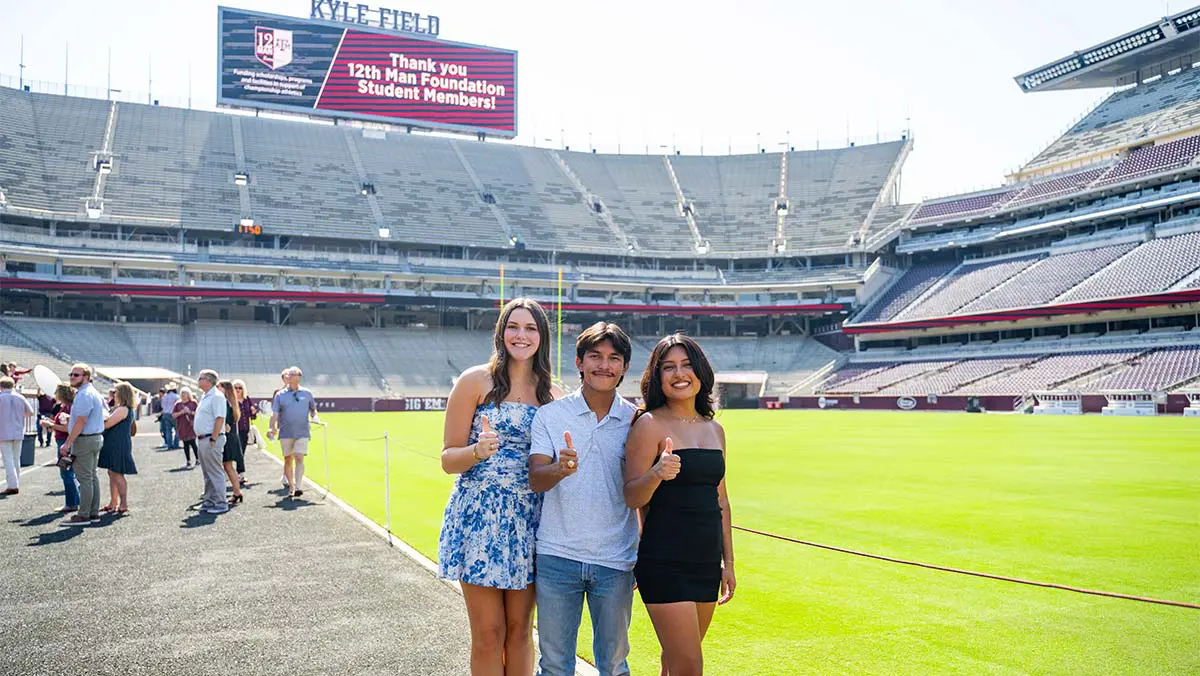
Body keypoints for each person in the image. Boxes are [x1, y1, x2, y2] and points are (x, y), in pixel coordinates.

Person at [438, 298, 556, 676]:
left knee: (521, 632)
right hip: (480, 517)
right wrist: (476, 451)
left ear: (542, 336)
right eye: (514, 326)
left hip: (530, 520)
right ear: (501, 332)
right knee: (489, 633)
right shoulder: (475, 380)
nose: (521, 336)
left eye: (531, 328)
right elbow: (446, 458)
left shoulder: (551, 393)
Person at [529, 322, 639, 676]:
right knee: (556, 666)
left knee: (615, 665)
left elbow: (642, 494)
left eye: (613, 358)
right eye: (595, 356)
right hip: (557, 556)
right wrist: (559, 469)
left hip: (616, 559)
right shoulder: (550, 415)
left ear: (623, 367)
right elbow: (535, 479)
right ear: (579, 362)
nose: (603, 365)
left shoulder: (637, 420)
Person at [623, 334, 735, 676]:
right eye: (668, 367)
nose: (679, 373)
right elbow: (631, 496)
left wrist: (728, 563)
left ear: (701, 372)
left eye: (687, 365)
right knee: (689, 667)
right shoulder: (649, 424)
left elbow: (722, 501)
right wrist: (657, 473)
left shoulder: (714, 429)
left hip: (704, 563)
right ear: (657, 377)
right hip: (664, 563)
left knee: (673, 663)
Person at [59, 363, 107, 524]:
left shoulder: (84, 394)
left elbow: (81, 421)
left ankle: (84, 514)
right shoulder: (92, 392)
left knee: (85, 478)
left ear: (85, 377)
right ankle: (93, 512)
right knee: (92, 476)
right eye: (71, 374)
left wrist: (67, 443)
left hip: (85, 439)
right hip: (94, 437)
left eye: (76, 375)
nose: (72, 377)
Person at [268, 367, 319, 499]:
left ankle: (298, 486)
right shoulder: (280, 395)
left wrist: (315, 417)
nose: (289, 376)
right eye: (288, 374)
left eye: (292, 374)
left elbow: (313, 408)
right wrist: (271, 427)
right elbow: (275, 413)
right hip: (286, 431)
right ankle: (291, 485)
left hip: (302, 431)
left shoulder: (307, 393)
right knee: (288, 459)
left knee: (299, 456)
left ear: (298, 377)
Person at [98, 381, 138, 515]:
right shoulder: (121, 408)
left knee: (117, 473)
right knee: (112, 472)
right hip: (114, 442)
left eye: (116, 392)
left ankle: (123, 503)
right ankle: (113, 502)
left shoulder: (122, 409)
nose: (114, 394)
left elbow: (107, 424)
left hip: (117, 443)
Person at [194, 370, 229, 515]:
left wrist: (214, 438)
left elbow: (219, 418)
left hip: (211, 438)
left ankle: (221, 502)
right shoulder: (205, 396)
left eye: (200, 378)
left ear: (208, 380)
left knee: (214, 471)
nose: (198, 380)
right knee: (207, 472)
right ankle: (209, 501)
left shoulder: (216, 397)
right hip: (204, 438)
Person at [40, 384, 80, 512]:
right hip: (64, 441)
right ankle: (74, 502)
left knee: (66, 473)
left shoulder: (68, 408)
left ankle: (72, 503)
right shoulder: (67, 406)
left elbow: (68, 428)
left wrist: (50, 424)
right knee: (69, 473)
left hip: (64, 442)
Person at [0, 376, 35, 496]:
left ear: (1, 386)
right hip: (18, 430)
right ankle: (15, 482)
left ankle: (12, 485)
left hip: (4, 432)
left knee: (7, 459)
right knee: (16, 458)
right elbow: (30, 412)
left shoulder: (0, 397)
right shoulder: (20, 397)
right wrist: (19, 416)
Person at [218, 380, 244, 506]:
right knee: (228, 466)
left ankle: (236, 492)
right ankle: (236, 492)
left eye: (219, 387)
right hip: (231, 437)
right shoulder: (231, 402)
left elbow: (225, 421)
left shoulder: (225, 403)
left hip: (227, 437)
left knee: (227, 466)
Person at [232, 379, 255, 485]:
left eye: (239, 388)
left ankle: (236, 473)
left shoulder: (247, 399)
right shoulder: (230, 400)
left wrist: (253, 412)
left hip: (245, 429)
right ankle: (240, 474)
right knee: (238, 452)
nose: (237, 390)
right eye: (235, 387)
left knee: (242, 452)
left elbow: (252, 416)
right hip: (234, 429)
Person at [172, 388, 199, 468]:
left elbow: (199, 413)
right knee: (185, 444)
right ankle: (188, 460)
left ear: (189, 394)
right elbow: (173, 415)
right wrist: (181, 412)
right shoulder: (178, 404)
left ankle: (198, 459)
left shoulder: (193, 403)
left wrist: (190, 412)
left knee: (193, 442)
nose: (183, 395)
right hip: (182, 426)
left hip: (191, 426)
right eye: (182, 393)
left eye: (185, 393)